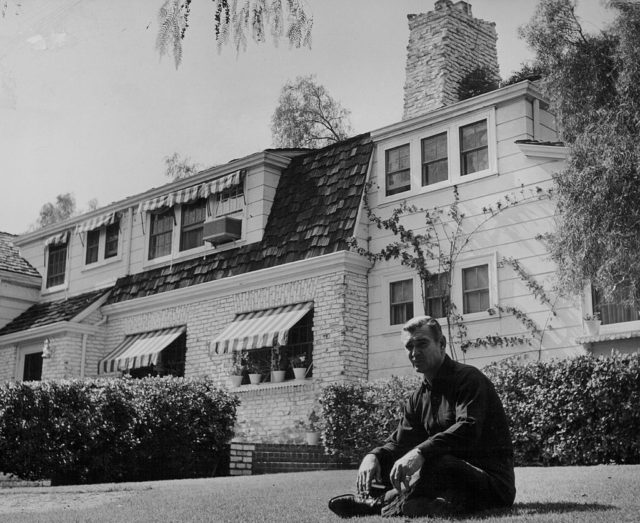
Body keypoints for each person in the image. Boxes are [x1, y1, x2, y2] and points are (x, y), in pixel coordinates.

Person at [328, 316, 516, 518]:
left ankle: (377, 504)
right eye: (409, 346)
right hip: (448, 480)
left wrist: (420, 452)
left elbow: (468, 428)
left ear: (441, 344)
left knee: (436, 461)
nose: (414, 352)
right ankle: (434, 504)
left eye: (422, 344)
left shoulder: (469, 379)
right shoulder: (418, 398)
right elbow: (400, 443)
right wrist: (374, 456)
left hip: (491, 483)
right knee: (393, 466)